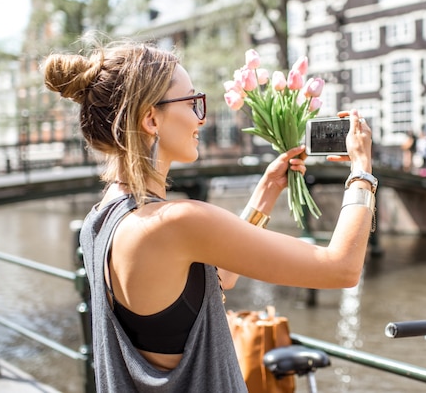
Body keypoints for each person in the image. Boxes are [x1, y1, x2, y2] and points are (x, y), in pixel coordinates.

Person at [43, 40, 375, 392]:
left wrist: (264, 196)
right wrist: (362, 171)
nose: (201, 117)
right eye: (191, 102)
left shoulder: (99, 222)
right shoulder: (177, 222)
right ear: (151, 118)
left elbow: (216, 282)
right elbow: (341, 267)